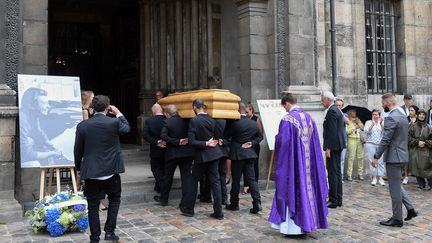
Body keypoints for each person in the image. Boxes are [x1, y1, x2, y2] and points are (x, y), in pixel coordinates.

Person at [269, 93, 328, 235]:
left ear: (287, 103)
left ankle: (293, 229)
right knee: (307, 190)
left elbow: (283, 143)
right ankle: (308, 223)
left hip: (294, 165)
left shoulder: (288, 119)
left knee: (292, 188)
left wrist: (276, 140)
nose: (285, 110)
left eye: (284, 107)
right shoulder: (309, 118)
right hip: (308, 165)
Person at [74, 95, 131, 242]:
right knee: (114, 199)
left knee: (93, 206)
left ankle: (94, 237)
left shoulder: (83, 125)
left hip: (91, 172)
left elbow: (77, 150)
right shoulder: (114, 122)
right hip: (110, 171)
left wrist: (78, 169)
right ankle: (110, 232)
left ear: (92, 107)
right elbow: (127, 129)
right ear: (108, 107)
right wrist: (118, 113)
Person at [372, 93, 417, 227]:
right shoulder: (402, 115)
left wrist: (376, 156)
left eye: (382, 103)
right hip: (402, 155)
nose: (382, 105)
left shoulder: (392, 117)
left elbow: (386, 139)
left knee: (394, 189)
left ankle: (397, 219)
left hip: (394, 157)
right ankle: (411, 209)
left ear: (388, 103)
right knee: (397, 185)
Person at [182, 99, 224, 219]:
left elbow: (191, 141)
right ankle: (218, 212)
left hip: (202, 155)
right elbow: (217, 138)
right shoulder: (212, 119)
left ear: (195, 107)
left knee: (193, 181)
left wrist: (205, 144)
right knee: (215, 182)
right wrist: (209, 143)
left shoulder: (194, 121)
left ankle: (189, 209)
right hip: (214, 154)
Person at [225, 103, 263, 214]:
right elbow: (260, 136)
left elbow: (226, 135)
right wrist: (251, 143)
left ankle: (234, 203)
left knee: (236, 180)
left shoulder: (234, 123)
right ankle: (257, 202)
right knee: (251, 179)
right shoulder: (252, 123)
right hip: (249, 154)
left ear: (237, 110)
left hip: (238, 155)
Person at [154, 105, 194, 206]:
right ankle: (185, 201)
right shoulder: (187, 121)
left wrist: (176, 142)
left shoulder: (167, 122)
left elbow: (163, 136)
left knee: (168, 176)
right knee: (186, 177)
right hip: (187, 153)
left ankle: (164, 199)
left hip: (173, 154)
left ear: (167, 113)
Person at [20, 87, 63, 166]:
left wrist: (50, 144)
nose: (48, 106)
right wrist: (52, 153)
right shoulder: (22, 120)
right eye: (44, 103)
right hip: (23, 158)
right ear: (31, 106)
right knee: (35, 164)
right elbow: (28, 154)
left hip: (27, 150)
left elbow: (39, 132)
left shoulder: (33, 115)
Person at [321, 91, 345, 209]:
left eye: (322, 100)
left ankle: (333, 199)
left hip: (334, 146)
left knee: (332, 173)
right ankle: (338, 198)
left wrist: (328, 148)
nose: (322, 102)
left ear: (327, 100)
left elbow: (332, 131)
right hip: (338, 145)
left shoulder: (332, 111)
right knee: (337, 172)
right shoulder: (336, 109)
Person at [142, 104, 167, 193]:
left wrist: (156, 142)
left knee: (155, 168)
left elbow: (145, 135)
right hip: (167, 149)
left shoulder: (149, 120)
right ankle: (158, 187)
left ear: (153, 111)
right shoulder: (167, 120)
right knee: (163, 169)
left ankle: (163, 186)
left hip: (155, 150)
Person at [242, 102, 263, 194]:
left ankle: (254, 184)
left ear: (251, 110)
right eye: (245, 112)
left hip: (254, 145)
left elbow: (260, 133)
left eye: (247, 112)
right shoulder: (243, 119)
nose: (246, 114)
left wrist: (253, 142)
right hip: (245, 146)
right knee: (245, 166)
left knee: (254, 165)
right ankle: (246, 184)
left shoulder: (256, 119)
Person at [408, 109, 432, 190]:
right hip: (415, 150)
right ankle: (421, 184)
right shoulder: (413, 126)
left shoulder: (429, 127)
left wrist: (425, 142)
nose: (422, 116)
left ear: (425, 116)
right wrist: (417, 142)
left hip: (426, 151)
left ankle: (430, 184)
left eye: (423, 114)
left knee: (427, 168)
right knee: (416, 167)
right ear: (417, 115)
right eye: (420, 114)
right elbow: (408, 138)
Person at [364, 109, 385, 186]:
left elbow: (384, 132)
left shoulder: (382, 122)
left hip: (380, 144)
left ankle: (380, 177)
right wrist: (372, 124)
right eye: (373, 114)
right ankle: (374, 177)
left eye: (376, 114)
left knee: (380, 161)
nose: (375, 116)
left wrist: (381, 124)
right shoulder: (368, 122)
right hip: (370, 144)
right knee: (372, 161)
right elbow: (366, 131)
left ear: (379, 115)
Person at [345, 109, 365, 181]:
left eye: (355, 112)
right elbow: (347, 132)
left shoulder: (358, 119)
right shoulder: (347, 120)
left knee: (360, 157)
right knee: (351, 157)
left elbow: (363, 128)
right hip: (351, 139)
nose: (355, 113)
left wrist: (358, 124)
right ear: (349, 113)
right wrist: (354, 127)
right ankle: (349, 174)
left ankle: (360, 174)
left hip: (359, 140)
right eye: (353, 112)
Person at [403, 105, 419, 185]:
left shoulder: (419, 119)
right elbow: (403, 129)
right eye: (409, 110)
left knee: (416, 159)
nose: (410, 112)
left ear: (416, 111)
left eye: (412, 110)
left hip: (416, 141)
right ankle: (406, 176)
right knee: (406, 159)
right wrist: (408, 125)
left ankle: (418, 177)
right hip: (407, 141)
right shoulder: (407, 118)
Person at [335, 98, 349, 181]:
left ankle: (341, 177)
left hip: (343, 141)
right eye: (337, 105)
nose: (338, 107)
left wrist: (341, 113)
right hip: (334, 141)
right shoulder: (332, 114)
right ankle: (336, 177)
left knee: (342, 160)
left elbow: (347, 122)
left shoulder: (344, 115)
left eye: (340, 105)